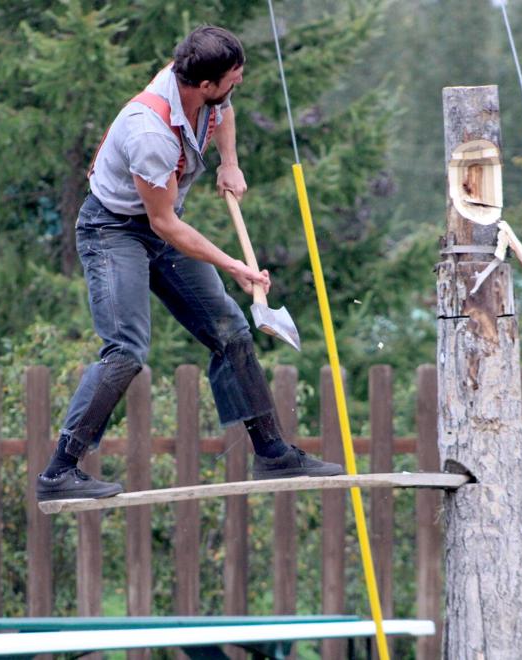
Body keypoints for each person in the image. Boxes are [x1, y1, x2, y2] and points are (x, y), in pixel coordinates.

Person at [36, 26, 343, 502]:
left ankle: (272, 453)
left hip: (159, 223)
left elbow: (224, 111)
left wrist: (230, 162)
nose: (234, 88)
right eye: (231, 81)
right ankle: (60, 471)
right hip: (114, 230)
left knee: (231, 329)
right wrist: (236, 266)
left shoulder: (203, 90)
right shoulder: (149, 132)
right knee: (126, 349)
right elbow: (165, 226)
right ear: (202, 83)